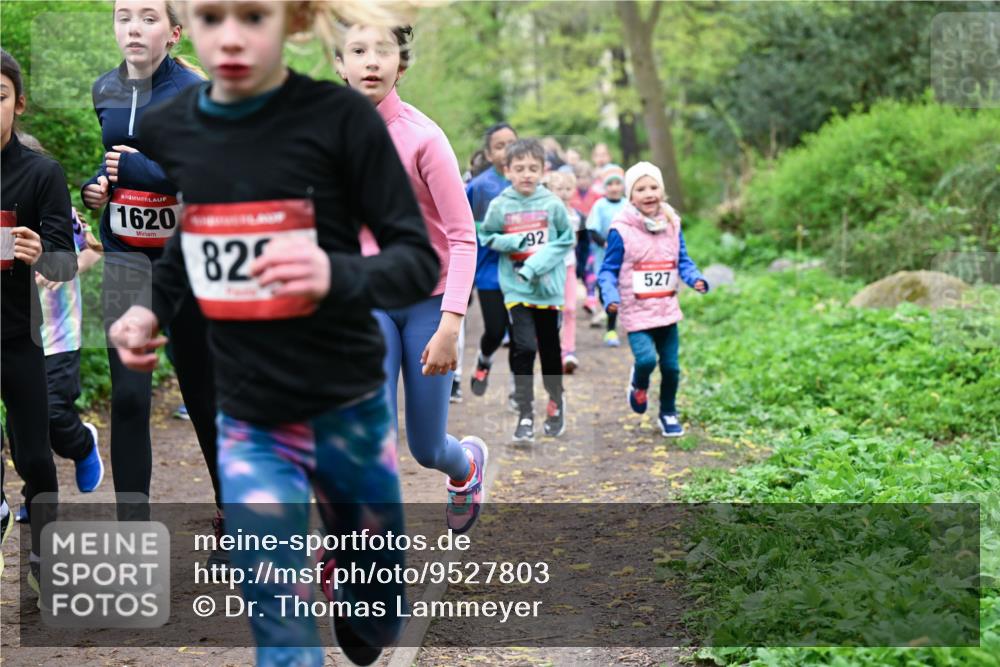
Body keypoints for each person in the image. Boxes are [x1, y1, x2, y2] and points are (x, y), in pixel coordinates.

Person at [107, 1, 438, 664]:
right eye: (210, 16)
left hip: (346, 403)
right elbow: (195, 232)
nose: (230, 36)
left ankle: (360, 591)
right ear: (188, 25)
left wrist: (331, 272)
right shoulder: (177, 127)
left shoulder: (339, 119)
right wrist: (151, 308)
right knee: (280, 628)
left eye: (253, 17)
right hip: (250, 414)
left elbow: (416, 258)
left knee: (374, 622)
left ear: (293, 23)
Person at [80, 1, 224, 550]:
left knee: (204, 397)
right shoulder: (104, 90)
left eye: (147, 16)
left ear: (174, 31)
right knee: (131, 398)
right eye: (123, 16)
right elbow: (111, 162)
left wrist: (133, 169)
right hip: (124, 260)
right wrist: (100, 186)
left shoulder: (194, 92)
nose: (133, 28)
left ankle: (230, 515)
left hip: (183, 266)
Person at [335, 23, 486, 533]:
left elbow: (464, 238)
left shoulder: (425, 138)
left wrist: (450, 325)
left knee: (425, 447)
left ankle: (465, 467)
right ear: (340, 63)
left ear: (402, 62)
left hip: (429, 302)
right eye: (358, 51)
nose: (371, 61)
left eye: (383, 51)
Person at [1, 48, 78, 594]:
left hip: (17, 337)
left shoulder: (40, 173)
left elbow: (64, 262)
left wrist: (38, 251)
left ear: (18, 104)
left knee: (32, 456)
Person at [598, 162, 708, 438]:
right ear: (630, 196)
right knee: (646, 360)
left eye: (653, 187)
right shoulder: (620, 230)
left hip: (667, 310)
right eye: (640, 188)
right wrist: (610, 297)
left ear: (662, 190)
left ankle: (668, 412)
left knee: (671, 367)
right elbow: (607, 271)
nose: (648, 193)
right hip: (636, 312)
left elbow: (681, 258)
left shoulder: (673, 222)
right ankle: (639, 384)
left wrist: (694, 278)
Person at [479, 139, 574, 442]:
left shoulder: (552, 204)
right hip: (516, 288)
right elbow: (486, 234)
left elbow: (565, 239)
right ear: (507, 171)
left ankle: (556, 401)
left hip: (549, 290)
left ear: (544, 170)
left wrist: (535, 265)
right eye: (519, 169)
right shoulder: (500, 205)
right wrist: (511, 243)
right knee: (524, 347)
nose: (526, 174)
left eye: (533, 168)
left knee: (549, 351)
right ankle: (525, 415)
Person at [466, 122, 517, 398]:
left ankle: (516, 390)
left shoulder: (528, 184)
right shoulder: (479, 188)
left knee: (521, 335)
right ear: (488, 154)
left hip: (523, 273)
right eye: (500, 146)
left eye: (512, 143)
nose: (508, 150)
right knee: (496, 331)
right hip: (490, 272)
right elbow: (463, 228)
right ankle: (484, 359)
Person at [541, 170, 582, 374]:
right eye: (559, 189)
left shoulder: (576, 215)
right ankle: (551, 350)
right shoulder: (544, 213)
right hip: (549, 268)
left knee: (571, 309)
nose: (564, 193)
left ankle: (568, 351)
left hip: (569, 266)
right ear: (550, 190)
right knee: (551, 312)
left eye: (568, 189)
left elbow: (577, 243)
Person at [586, 164, 627, 345]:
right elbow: (591, 229)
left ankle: (611, 330)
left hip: (625, 257)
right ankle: (609, 318)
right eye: (610, 184)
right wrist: (605, 243)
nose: (614, 187)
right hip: (603, 257)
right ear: (605, 187)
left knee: (618, 290)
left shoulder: (629, 205)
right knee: (604, 291)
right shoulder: (599, 205)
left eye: (618, 183)